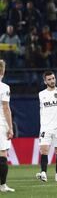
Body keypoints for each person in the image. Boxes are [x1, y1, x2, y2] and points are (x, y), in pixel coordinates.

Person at [0, 60, 15, 192]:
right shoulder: (4, 87)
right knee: (2, 153)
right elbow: (6, 108)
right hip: (0, 123)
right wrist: (10, 127)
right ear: (3, 71)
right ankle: (3, 185)